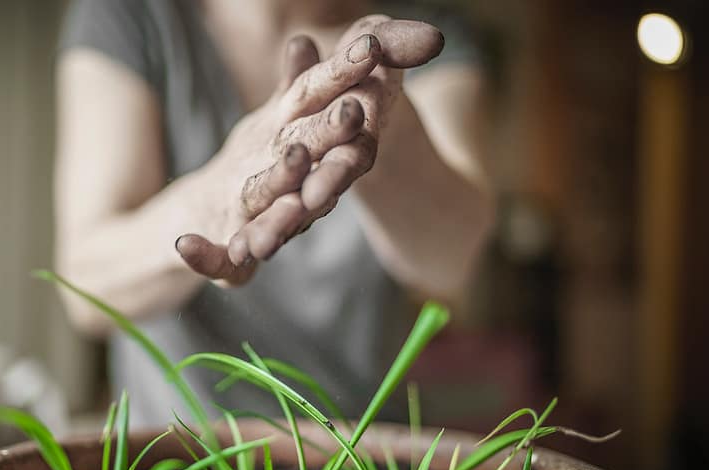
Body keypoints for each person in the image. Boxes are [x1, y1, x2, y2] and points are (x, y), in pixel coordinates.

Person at [55, 0, 493, 427]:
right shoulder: (133, 14)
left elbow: (453, 262)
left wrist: (381, 124)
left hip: (359, 456)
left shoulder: (430, 24)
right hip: (175, 454)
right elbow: (85, 284)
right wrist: (212, 203)